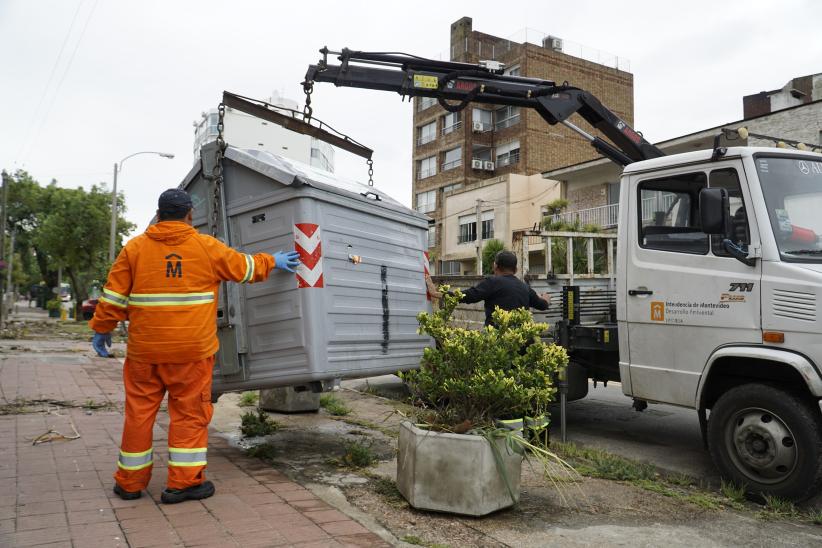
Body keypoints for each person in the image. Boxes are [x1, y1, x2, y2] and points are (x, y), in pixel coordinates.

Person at [89, 189, 300, 504]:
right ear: (190, 215)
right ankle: (183, 484)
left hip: (144, 354)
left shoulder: (134, 249)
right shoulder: (206, 248)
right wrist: (275, 261)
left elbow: (113, 298)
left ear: (159, 214)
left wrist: (101, 330)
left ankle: (130, 483)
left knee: (138, 415)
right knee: (189, 415)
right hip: (192, 354)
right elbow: (245, 268)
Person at [426, 250, 551, 326]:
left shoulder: (493, 282)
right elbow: (542, 305)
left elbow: (467, 296)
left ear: (495, 266)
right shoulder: (525, 287)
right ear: (516, 269)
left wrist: (436, 293)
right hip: (520, 344)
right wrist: (545, 298)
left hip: (496, 342)